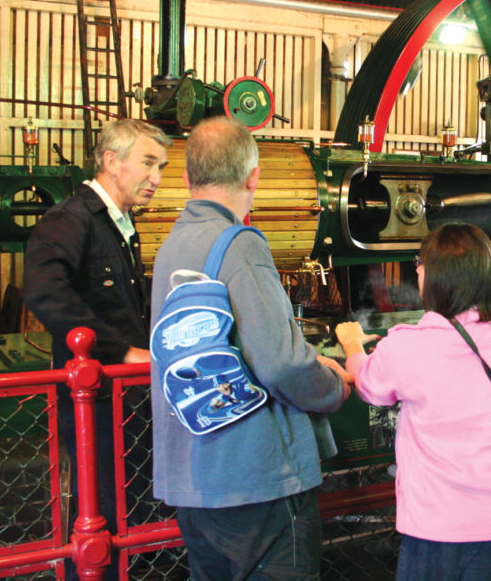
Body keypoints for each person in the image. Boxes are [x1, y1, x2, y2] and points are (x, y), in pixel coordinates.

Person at [149, 115, 351, 580]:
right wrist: (331, 387)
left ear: (186, 178)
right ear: (253, 177)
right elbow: (280, 364)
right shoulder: (240, 245)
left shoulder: (171, 247)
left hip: (194, 479)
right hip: (256, 480)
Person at [335, 223, 491, 581]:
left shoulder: (408, 346)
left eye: (420, 263)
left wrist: (352, 344)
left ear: (435, 277)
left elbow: (369, 386)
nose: (417, 270)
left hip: (441, 531)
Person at [23, 118, 172, 579]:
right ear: (111, 161)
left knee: (129, 501)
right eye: (148, 164)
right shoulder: (71, 219)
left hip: (124, 400)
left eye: (162, 167)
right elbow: (44, 290)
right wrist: (117, 352)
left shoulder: (120, 224)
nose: (157, 178)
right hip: (97, 400)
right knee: (101, 509)